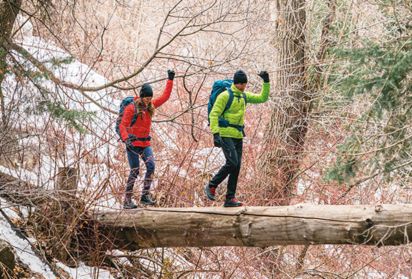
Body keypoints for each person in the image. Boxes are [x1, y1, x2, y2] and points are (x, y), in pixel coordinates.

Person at [204, 69, 270, 207]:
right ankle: (212, 184)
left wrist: (266, 81)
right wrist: (215, 133)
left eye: (245, 84)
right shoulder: (224, 96)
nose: (244, 86)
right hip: (225, 133)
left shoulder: (244, 96)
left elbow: (262, 98)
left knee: (237, 167)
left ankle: (230, 198)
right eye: (242, 84)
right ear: (236, 83)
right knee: (232, 162)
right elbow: (214, 114)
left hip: (238, 135)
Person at [119, 70, 175, 209]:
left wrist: (170, 80)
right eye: (146, 97)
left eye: (150, 97)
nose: (149, 100)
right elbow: (123, 125)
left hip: (145, 143)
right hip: (132, 143)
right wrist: (126, 139)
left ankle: (145, 196)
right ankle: (127, 200)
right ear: (142, 96)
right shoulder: (131, 108)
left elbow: (165, 97)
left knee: (151, 166)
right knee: (135, 170)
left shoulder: (151, 106)